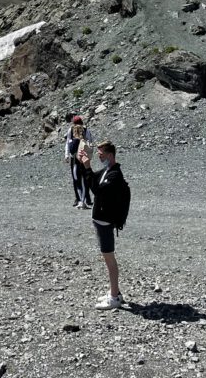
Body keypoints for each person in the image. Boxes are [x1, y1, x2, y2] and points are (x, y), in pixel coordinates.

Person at [79, 141, 130, 310]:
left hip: (106, 222)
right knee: (108, 258)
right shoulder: (107, 171)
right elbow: (92, 181)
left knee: (109, 259)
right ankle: (116, 292)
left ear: (110, 155)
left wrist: (87, 167)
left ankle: (114, 297)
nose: (99, 157)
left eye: (101, 154)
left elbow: (98, 191)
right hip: (100, 220)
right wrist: (86, 166)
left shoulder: (115, 175)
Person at [64, 116, 93, 209]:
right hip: (77, 158)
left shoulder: (85, 130)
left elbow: (89, 141)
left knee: (81, 179)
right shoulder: (72, 130)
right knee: (78, 179)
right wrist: (67, 154)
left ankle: (83, 199)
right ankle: (80, 199)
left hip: (80, 157)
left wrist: (67, 154)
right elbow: (68, 143)